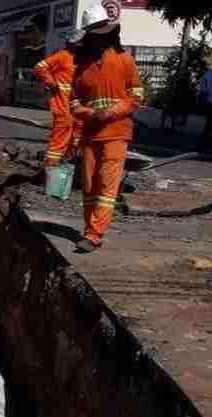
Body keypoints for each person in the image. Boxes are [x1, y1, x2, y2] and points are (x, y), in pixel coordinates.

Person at [70, 5, 144, 253]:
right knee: (90, 186)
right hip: (91, 135)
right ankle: (88, 229)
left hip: (117, 133)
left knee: (106, 186)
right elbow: (73, 102)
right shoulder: (82, 68)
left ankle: (94, 234)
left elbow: (136, 97)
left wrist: (110, 113)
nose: (96, 38)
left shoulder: (125, 61)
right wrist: (90, 113)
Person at [34, 29, 86, 166]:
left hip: (79, 105)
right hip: (62, 104)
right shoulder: (62, 56)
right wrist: (51, 83)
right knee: (61, 136)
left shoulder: (82, 59)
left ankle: (68, 165)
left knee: (77, 137)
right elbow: (40, 67)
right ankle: (50, 169)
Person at [199, 64, 212, 143]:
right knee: (209, 121)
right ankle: (206, 137)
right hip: (209, 101)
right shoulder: (207, 76)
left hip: (209, 101)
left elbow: (203, 90)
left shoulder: (206, 75)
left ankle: (205, 137)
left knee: (209, 121)